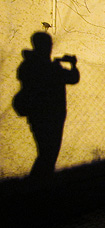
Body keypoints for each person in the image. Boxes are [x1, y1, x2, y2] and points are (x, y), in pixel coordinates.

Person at [15, 32, 80, 180]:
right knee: (48, 154)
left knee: (45, 153)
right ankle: (36, 187)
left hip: (37, 116)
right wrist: (73, 65)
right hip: (52, 116)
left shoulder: (28, 64)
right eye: (48, 45)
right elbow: (73, 78)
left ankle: (38, 186)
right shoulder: (49, 68)